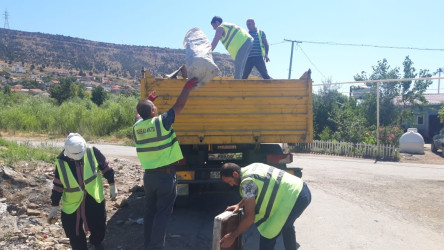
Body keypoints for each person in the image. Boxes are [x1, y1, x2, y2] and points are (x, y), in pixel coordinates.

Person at [133, 77, 198, 250]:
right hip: (165, 176)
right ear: (153, 111)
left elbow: (138, 114)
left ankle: (148, 244)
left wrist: (148, 101)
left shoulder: (137, 127)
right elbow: (179, 105)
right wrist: (187, 87)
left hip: (149, 176)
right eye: (154, 107)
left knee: (149, 212)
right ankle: (156, 247)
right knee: (162, 213)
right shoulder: (161, 122)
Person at [47, 133, 117, 250]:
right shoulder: (61, 162)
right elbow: (57, 186)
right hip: (72, 204)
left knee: (98, 225)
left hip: (93, 197)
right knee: (73, 231)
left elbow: (106, 168)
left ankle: (97, 243)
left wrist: (112, 185)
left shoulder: (92, 152)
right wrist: (54, 206)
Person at [219, 162, 311, 250]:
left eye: (230, 181)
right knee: (286, 227)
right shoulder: (251, 168)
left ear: (235, 174)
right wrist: (239, 205)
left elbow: (249, 217)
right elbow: (252, 191)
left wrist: (232, 236)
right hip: (301, 189)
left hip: (295, 197)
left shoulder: (246, 183)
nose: (231, 185)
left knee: (268, 232)